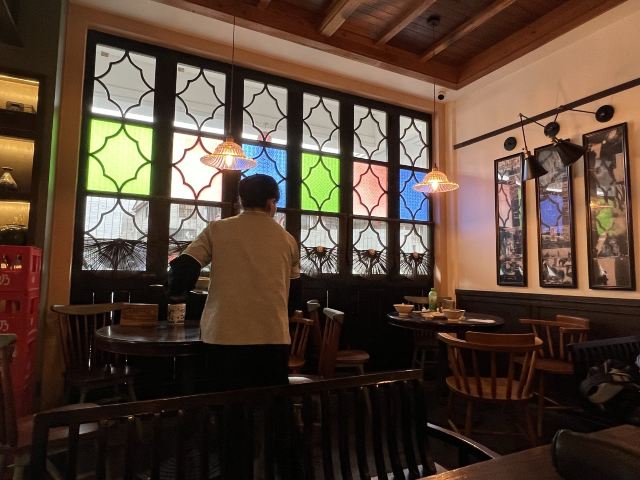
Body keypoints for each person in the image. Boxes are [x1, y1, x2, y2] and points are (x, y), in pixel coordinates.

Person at [167, 174, 301, 391]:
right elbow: (294, 294)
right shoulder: (288, 240)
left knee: (223, 401)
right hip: (272, 337)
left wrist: (176, 293)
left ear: (241, 200)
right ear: (271, 203)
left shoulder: (217, 229)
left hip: (222, 335)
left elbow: (184, 270)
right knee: (267, 401)